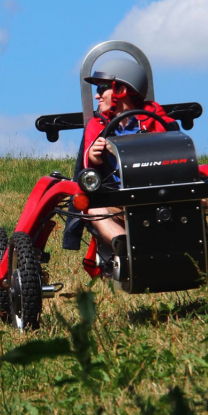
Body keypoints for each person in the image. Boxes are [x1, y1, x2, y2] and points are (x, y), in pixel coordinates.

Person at [62, 58, 177, 262]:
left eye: (102, 88)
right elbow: (87, 174)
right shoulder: (98, 127)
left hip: (160, 199)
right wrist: (93, 158)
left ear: (121, 90)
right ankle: (121, 243)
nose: (97, 95)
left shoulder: (157, 121)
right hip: (119, 202)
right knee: (91, 206)